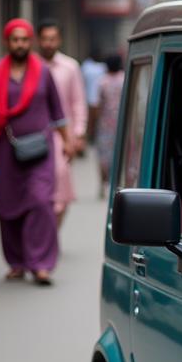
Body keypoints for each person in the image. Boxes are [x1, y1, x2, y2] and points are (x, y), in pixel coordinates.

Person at [0, 18, 73, 286]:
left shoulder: (43, 71)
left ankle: (41, 264)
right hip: (6, 149)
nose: (19, 44)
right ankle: (17, 262)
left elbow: (58, 111)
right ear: (6, 42)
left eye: (24, 39)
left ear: (30, 42)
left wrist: (66, 141)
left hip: (41, 150)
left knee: (41, 202)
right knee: (7, 206)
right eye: (14, 39)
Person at [38, 20, 88, 228]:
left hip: (62, 138)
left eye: (53, 39)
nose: (49, 43)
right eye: (45, 39)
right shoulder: (32, 67)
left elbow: (78, 102)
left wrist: (78, 134)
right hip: (33, 137)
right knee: (38, 189)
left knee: (60, 185)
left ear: (59, 40)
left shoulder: (70, 67)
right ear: (38, 41)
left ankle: (51, 234)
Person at [94, 53, 124, 197]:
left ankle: (103, 184)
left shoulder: (102, 81)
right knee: (120, 154)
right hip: (122, 123)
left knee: (104, 157)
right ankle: (117, 184)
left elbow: (98, 104)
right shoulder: (124, 78)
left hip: (105, 124)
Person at [81, 51, 107, 145]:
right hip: (91, 98)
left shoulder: (88, 67)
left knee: (93, 121)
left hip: (93, 98)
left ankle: (92, 138)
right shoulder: (89, 66)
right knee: (91, 121)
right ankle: (90, 139)